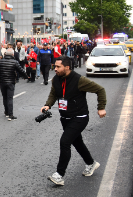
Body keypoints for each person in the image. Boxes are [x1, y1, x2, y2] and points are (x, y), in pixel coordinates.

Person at [41, 56, 107, 186]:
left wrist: (101, 108)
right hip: (65, 117)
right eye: (55, 66)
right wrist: (48, 105)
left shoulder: (79, 80)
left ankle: (59, 175)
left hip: (79, 117)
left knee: (65, 141)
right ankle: (91, 163)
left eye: (58, 67)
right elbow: (54, 93)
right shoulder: (56, 79)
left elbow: (100, 90)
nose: (56, 69)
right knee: (77, 142)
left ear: (67, 67)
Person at [0, 49, 28, 121]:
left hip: (2, 82)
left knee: (5, 97)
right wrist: (26, 76)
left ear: (5, 54)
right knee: (10, 98)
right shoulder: (14, 62)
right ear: (13, 54)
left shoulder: (0, 61)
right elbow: (21, 70)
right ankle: (10, 114)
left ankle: (6, 112)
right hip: (11, 82)